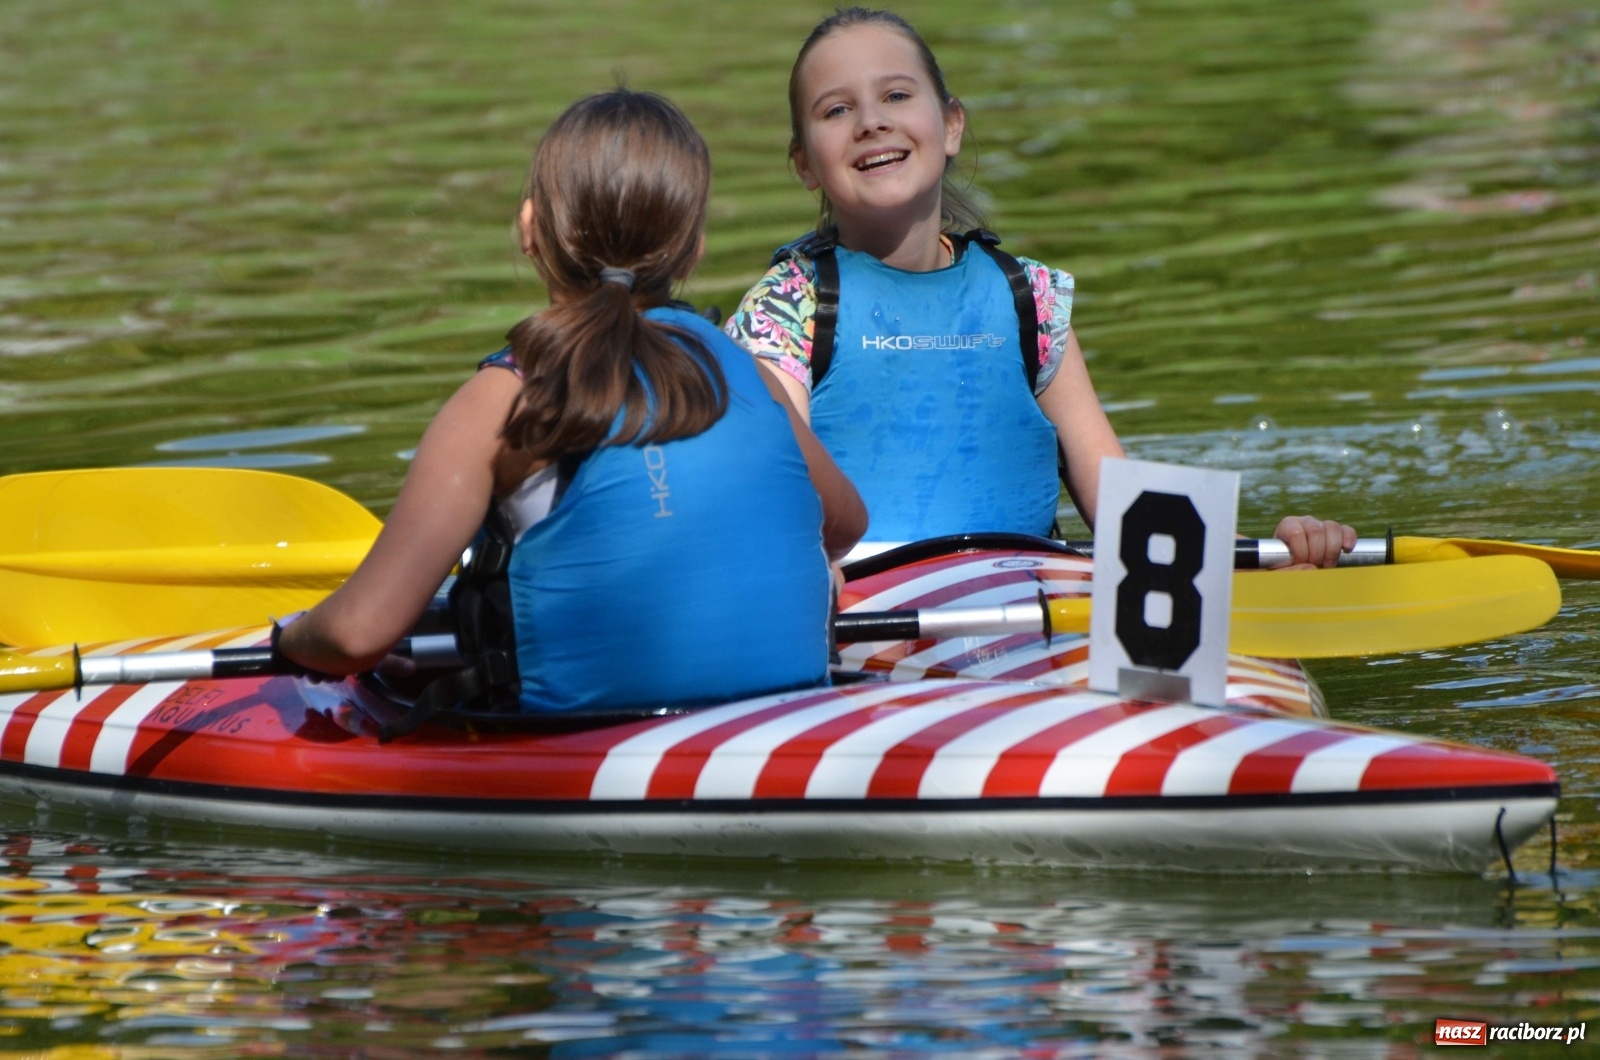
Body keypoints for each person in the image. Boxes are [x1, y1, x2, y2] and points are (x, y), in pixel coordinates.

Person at [278, 89, 866, 717]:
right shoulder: (748, 372)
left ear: (530, 230)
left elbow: (357, 635)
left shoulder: (506, 397)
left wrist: (289, 639)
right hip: (783, 717)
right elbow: (846, 524)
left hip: (578, 746)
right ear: (693, 249)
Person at [725, 7, 1353, 567]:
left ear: (951, 125)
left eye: (896, 95)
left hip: (1032, 613)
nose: (870, 122)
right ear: (804, 164)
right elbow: (773, 499)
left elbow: (1127, 515)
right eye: (836, 110)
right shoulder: (786, 310)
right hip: (870, 622)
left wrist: (1270, 554)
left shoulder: (1030, 299)